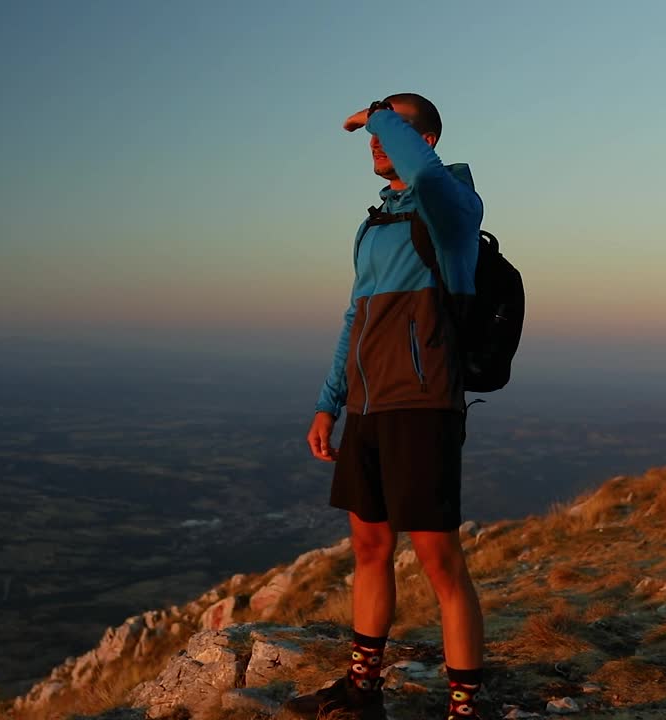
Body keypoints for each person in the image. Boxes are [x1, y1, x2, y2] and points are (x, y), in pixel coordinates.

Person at [287, 94, 485, 720]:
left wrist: (375, 113)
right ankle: (363, 689)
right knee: (369, 549)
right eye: (375, 131)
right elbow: (356, 318)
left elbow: (424, 174)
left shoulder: (450, 206)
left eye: (393, 129)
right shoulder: (375, 224)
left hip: (423, 405)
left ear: (423, 139)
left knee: (440, 561)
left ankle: (463, 707)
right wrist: (328, 404)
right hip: (369, 408)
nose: (377, 141)